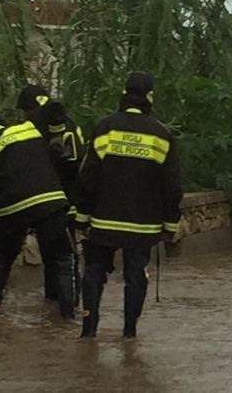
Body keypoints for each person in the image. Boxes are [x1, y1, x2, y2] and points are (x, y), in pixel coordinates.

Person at [76, 71, 182, 339]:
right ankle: (129, 333)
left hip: (103, 221)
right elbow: (172, 186)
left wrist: (81, 217)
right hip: (143, 225)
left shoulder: (104, 129)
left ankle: (89, 331)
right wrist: (169, 225)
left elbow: (88, 177)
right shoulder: (162, 135)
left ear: (124, 93)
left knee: (94, 272)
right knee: (136, 276)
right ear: (149, 97)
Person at [0, 107, 76, 318]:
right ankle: (68, 314)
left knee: (2, 258)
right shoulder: (28, 129)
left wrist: (1, 225)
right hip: (50, 202)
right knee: (63, 258)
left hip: (12, 210)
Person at [16, 84, 86, 306]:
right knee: (51, 252)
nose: (25, 116)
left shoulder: (63, 127)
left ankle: (70, 301)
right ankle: (53, 299)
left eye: (26, 111)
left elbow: (73, 164)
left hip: (66, 201)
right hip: (48, 202)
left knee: (66, 254)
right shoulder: (43, 126)